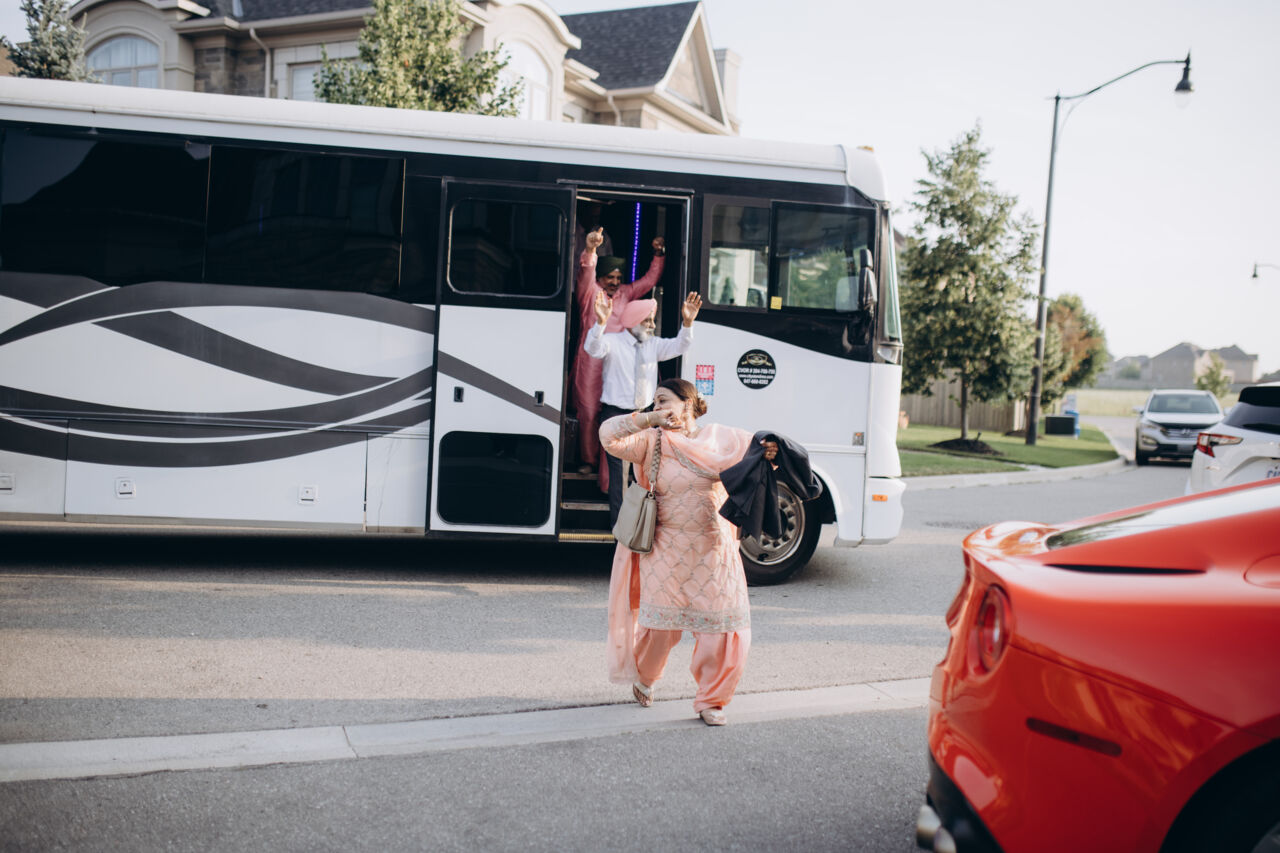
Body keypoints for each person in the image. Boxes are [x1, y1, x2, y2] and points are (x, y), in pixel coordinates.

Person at [600, 378, 778, 727]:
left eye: (664, 400)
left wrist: (770, 452)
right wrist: (648, 419)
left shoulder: (724, 439)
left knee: (721, 629)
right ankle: (646, 677)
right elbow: (608, 436)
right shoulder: (651, 440)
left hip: (714, 549)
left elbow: (761, 459)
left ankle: (712, 700)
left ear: (688, 403)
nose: (657, 406)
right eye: (654, 402)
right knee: (660, 628)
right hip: (664, 547)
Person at [584, 290, 700, 524]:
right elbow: (592, 348)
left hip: (647, 415)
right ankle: (622, 532)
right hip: (617, 415)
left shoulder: (652, 344)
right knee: (619, 477)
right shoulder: (613, 341)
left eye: (652, 320)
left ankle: (644, 526)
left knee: (648, 472)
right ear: (634, 320)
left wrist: (688, 322)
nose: (652, 325)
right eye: (647, 320)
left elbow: (681, 345)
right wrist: (601, 322)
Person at [571, 226, 665, 484]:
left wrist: (659, 255)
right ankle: (588, 461)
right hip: (591, 360)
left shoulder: (626, 293)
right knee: (589, 411)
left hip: (619, 360)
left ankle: (607, 479)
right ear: (601, 278)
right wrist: (590, 249)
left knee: (614, 416)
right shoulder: (590, 292)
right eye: (609, 277)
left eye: (618, 277)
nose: (614, 282)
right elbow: (586, 272)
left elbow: (649, 281)